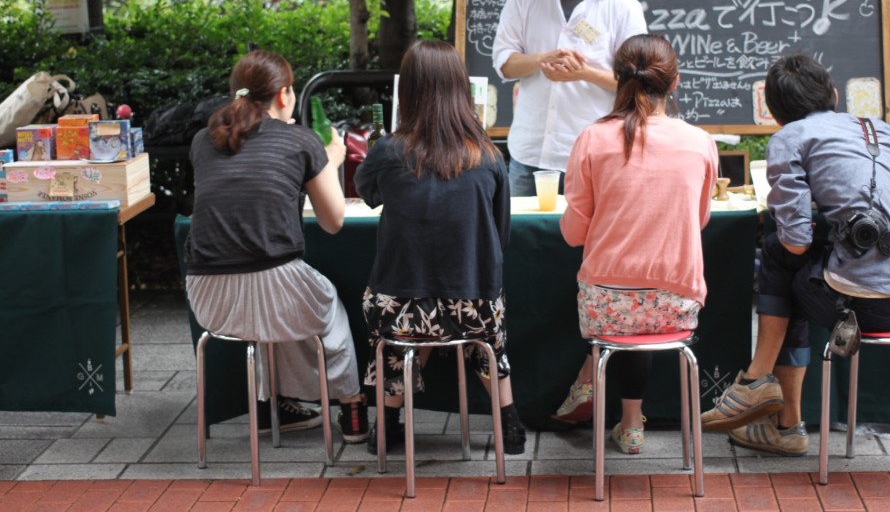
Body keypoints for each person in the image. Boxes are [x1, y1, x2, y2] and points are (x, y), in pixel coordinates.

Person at [700, 54, 890, 456]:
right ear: (833, 94)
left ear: (774, 114)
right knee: (803, 270)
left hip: (868, 309)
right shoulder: (879, 129)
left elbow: (796, 240)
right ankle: (774, 411)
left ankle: (764, 393)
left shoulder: (790, 138)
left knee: (781, 253)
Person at [184, 49, 369, 443]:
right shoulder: (301, 140)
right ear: (285, 95)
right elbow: (333, 222)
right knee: (321, 304)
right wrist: (331, 159)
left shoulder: (203, 140)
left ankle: (273, 407)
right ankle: (352, 407)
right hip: (276, 285)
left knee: (274, 305)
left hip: (206, 295)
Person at [355, 40, 526, 455]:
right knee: (477, 317)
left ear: (407, 91)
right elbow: (499, 234)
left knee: (408, 321)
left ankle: (387, 423)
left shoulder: (389, 151)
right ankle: (511, 425)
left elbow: (366, 192)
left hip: (400, 306)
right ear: (460, 90)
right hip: (474, 305)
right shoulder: (487, 155)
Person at [554, 34, 719, 452]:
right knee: (643, 304)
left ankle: (591, 384)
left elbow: (573, 233)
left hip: (606, 307)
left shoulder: (592, 138)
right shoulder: (700, 142)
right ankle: (630, 423)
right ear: (674, 81)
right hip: (675, 307)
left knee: (618, 312)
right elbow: (698, 220)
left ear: (617, 79)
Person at [492, 0, 647, 197]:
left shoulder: (622, 6)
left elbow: (637, 82)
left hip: (593, 156)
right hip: (528, 153)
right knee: (521, 241)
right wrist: (542, 59)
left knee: (589, 244)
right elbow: (504, 63)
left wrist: (584, 73)